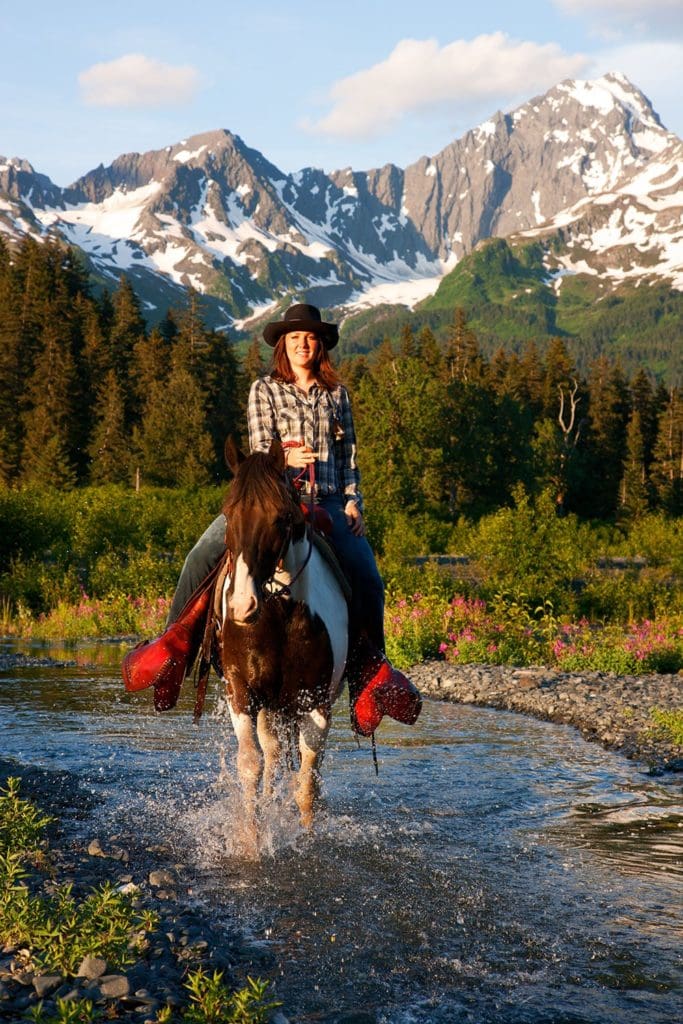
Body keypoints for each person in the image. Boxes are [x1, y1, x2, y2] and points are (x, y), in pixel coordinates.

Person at [134, 303, 421, 734]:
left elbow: (350, 460)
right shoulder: (264, 390)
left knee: (367, 575)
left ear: (319, 344)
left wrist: (353, 502)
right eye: (294, 338)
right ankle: (175, 647)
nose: (302, 344)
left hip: (325, 503)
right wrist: (285, 455)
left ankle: (369, 673)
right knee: (201, 553)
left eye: (309, 337)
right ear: (282, 346)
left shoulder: (337, 395)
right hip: (273, 500)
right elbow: (257, 455)